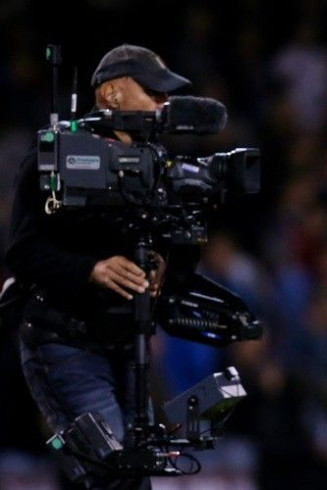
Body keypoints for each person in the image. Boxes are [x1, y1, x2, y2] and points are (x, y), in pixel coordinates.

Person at [5, 44, 193, 490]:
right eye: (152, 92)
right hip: (65, 342)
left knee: (132, 479)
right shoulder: (55, 157)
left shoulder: (153, 165)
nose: (162, 104)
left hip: (127, 345)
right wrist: (92, 269)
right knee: (114, 476)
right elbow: (23, 254)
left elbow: (172, 238)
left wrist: (163, 262)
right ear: (110, 94)